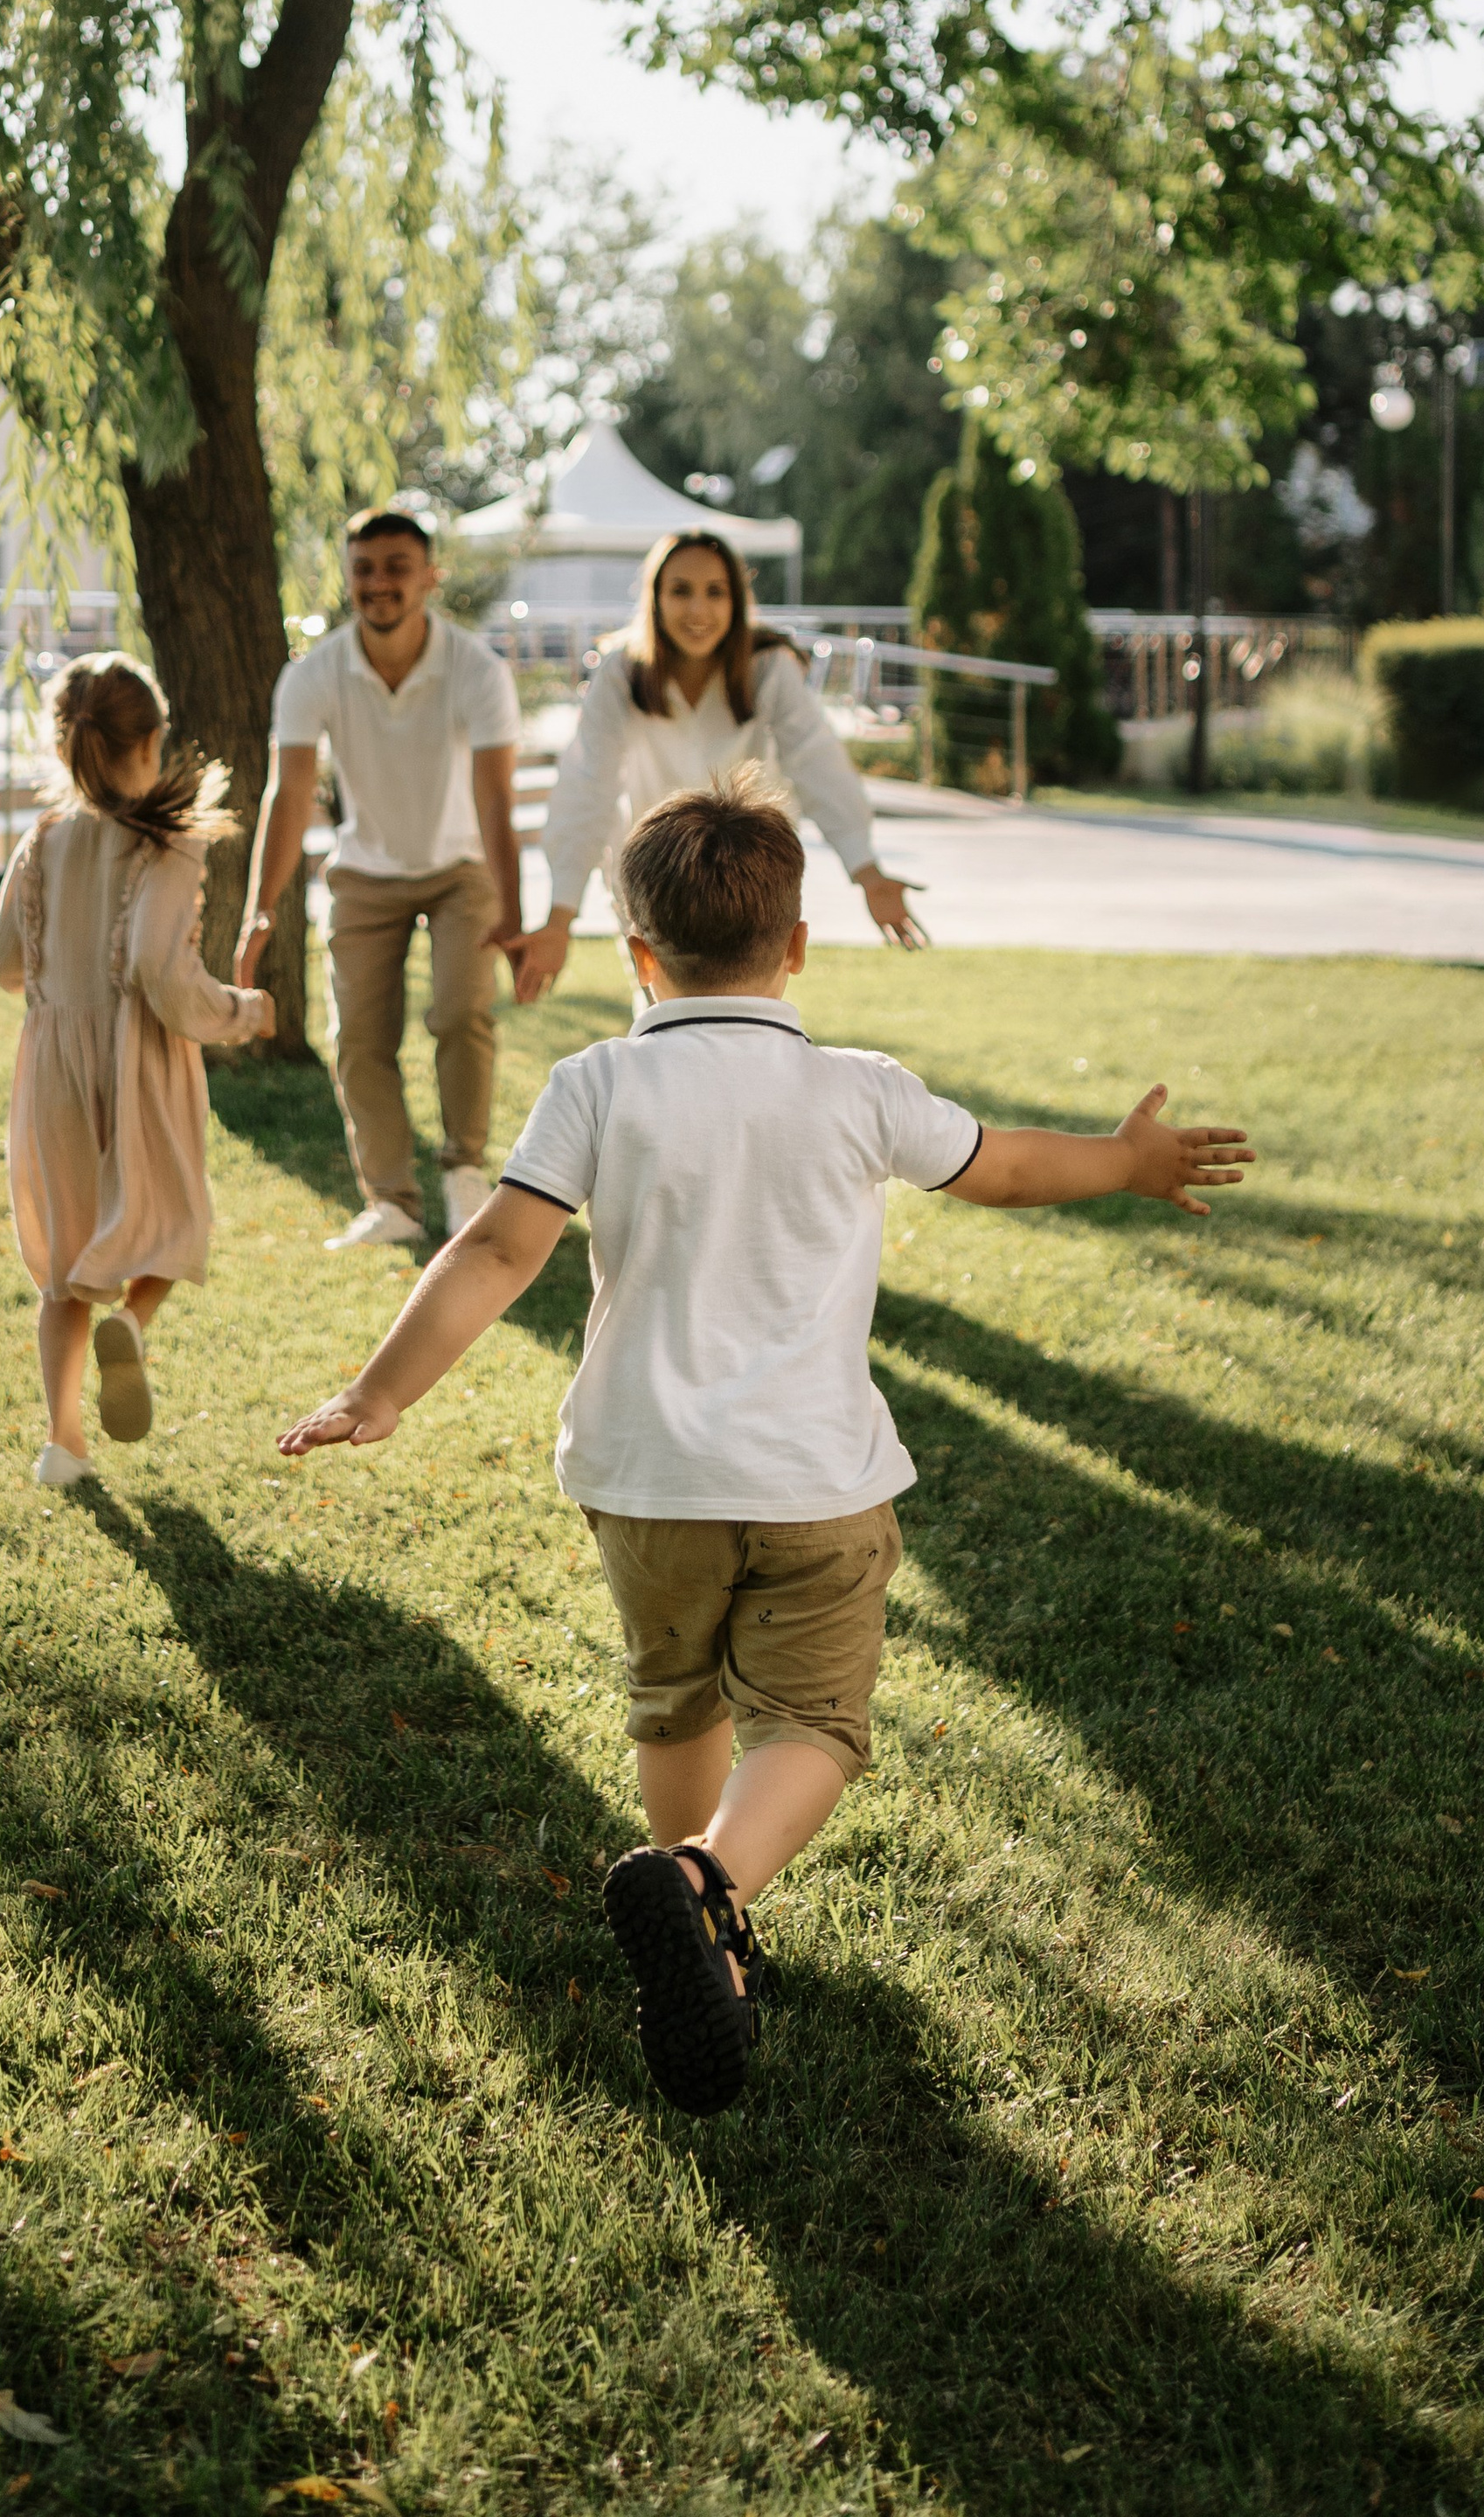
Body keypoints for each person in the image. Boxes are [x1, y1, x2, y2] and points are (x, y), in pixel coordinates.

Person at [275, 770, 1254, 2115]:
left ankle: (696, 1909)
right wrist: (1132, 1162)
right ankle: (704, 1887)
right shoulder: (861, 1089)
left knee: (679, 1696)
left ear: (640, 954)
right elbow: (1014, 1168)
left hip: (648, 1484)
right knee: (812, 1723)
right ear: (796, 946)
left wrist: (381, 1392)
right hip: (815, 1485)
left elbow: (499, 1246)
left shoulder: (599, 1081)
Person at [0, 654, 273, 1490]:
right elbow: (158, 970)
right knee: (172, 1215)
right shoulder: (167, 842)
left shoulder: (41, 840)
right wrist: (244, 1012)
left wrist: (56, 992)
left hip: (53, 1065)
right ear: (149, 743)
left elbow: (3, 963)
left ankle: (62, 1443)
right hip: (139, 1058)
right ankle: (137, 1323)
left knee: (66, 1258)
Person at [240, 507, 525, 1252]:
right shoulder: (315, 673)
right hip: (366, 870)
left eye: (398, 567)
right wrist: (260, 911)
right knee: (359, 1038)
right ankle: (391, 1201)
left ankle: (466, 1172)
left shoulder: (476, 668)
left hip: (462, 866)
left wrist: (516, 915)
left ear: (431, 576)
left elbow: (497, 797)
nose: (378, 583)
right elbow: (290, 793)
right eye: (364, 568)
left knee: (461, 1014)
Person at [514, 528, 924, 1005]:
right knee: (664, 1039)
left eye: (715, 592)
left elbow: (816, 762)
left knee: (747, 1033)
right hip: (653, 885)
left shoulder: (768, 667)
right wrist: (560, 918)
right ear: (654, 598)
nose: (697, 610)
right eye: (680, 591)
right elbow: (588, 784)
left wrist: (867, 871)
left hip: (745, 885)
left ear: (737, 600)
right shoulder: (622, 671)